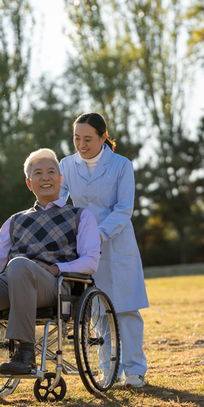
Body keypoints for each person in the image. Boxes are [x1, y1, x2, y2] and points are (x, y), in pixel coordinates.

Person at [0, 148, 101, 383]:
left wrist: (57, 268)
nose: (45, 177)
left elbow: (91, 261)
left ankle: (25, 352)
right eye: (38, 173)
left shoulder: (80, 216)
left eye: (51, 172)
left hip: (54, 287)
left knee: (18, 265)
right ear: (29, 183)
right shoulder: (15, 220)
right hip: (11, 285)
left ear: (60, 179)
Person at [59, 112, 149, 389]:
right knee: (96, 310)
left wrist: (96, 235)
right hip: (83, 250)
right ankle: (108, 372)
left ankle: (135, 372)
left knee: (125, 309)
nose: (81, 145)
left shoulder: (122, 166)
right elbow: (58, 203)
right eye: (77, 138)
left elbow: (124, 210)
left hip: (117, 244)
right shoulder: (66, 165)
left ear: (102, 138)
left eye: (88, 139)